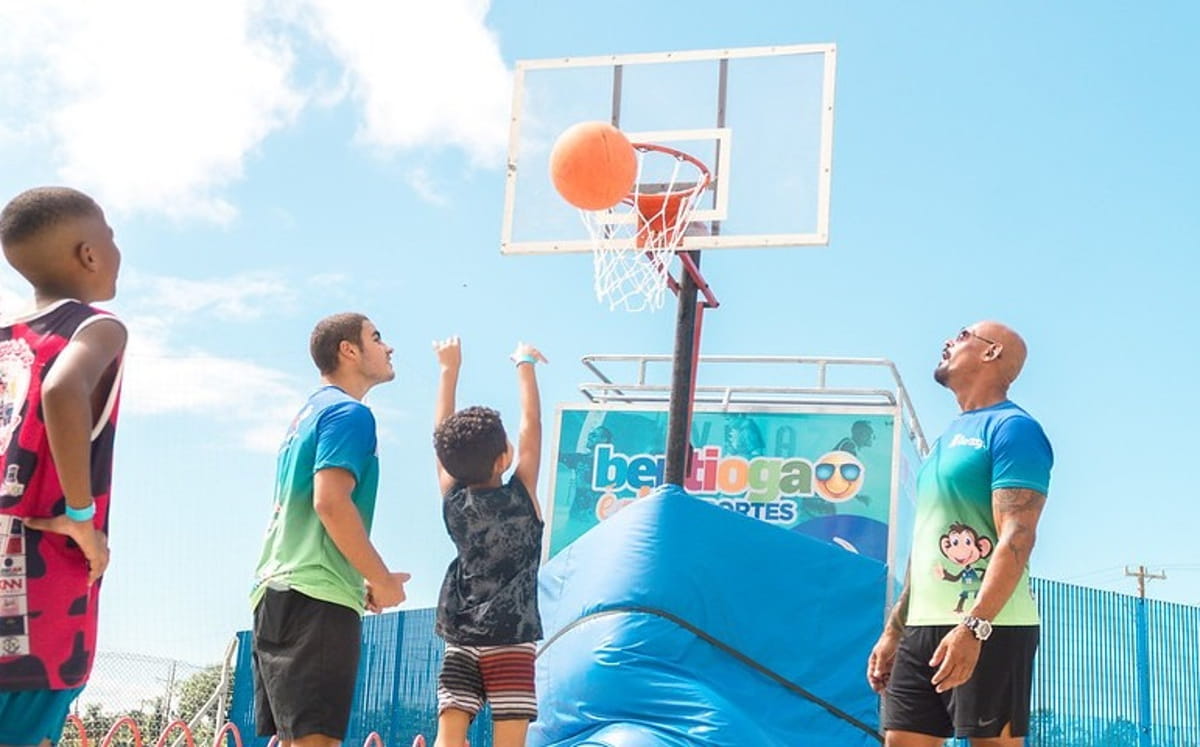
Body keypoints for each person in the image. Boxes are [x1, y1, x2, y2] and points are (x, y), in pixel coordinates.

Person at [867, 322, 1053, 746]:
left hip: (992, 625)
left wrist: (975, 627)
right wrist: (895, 630)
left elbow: (1017, 536)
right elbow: (926, 544)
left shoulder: (1013, 428)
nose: (948, 341)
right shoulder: (946, 439)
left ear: (992, 353)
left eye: (964, 334)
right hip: (923, 626)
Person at [0, 187, 126, 746]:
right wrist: (80, 514)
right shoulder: (95, 328)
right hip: (42, 596)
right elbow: (62, 387)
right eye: (112, 236)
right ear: (89, 254)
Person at [250, 312, 411, 747]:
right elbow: (330, 502)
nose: (388, 347)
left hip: (276, 590)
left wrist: (357, 576)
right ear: (349, 350)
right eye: (377, 338)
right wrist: (380, 580)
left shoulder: (306, 416)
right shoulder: (350, 413)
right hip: (314, 598)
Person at [429, 336, 546, 747]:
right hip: (512, 639)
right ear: (503, 458)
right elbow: (531, 428)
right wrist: (525, 363)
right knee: (509, 740)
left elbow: (440, 434)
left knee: (450, 733)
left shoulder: (454, 502)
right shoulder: (521, 496)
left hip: (461, 635)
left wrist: (449, 370)